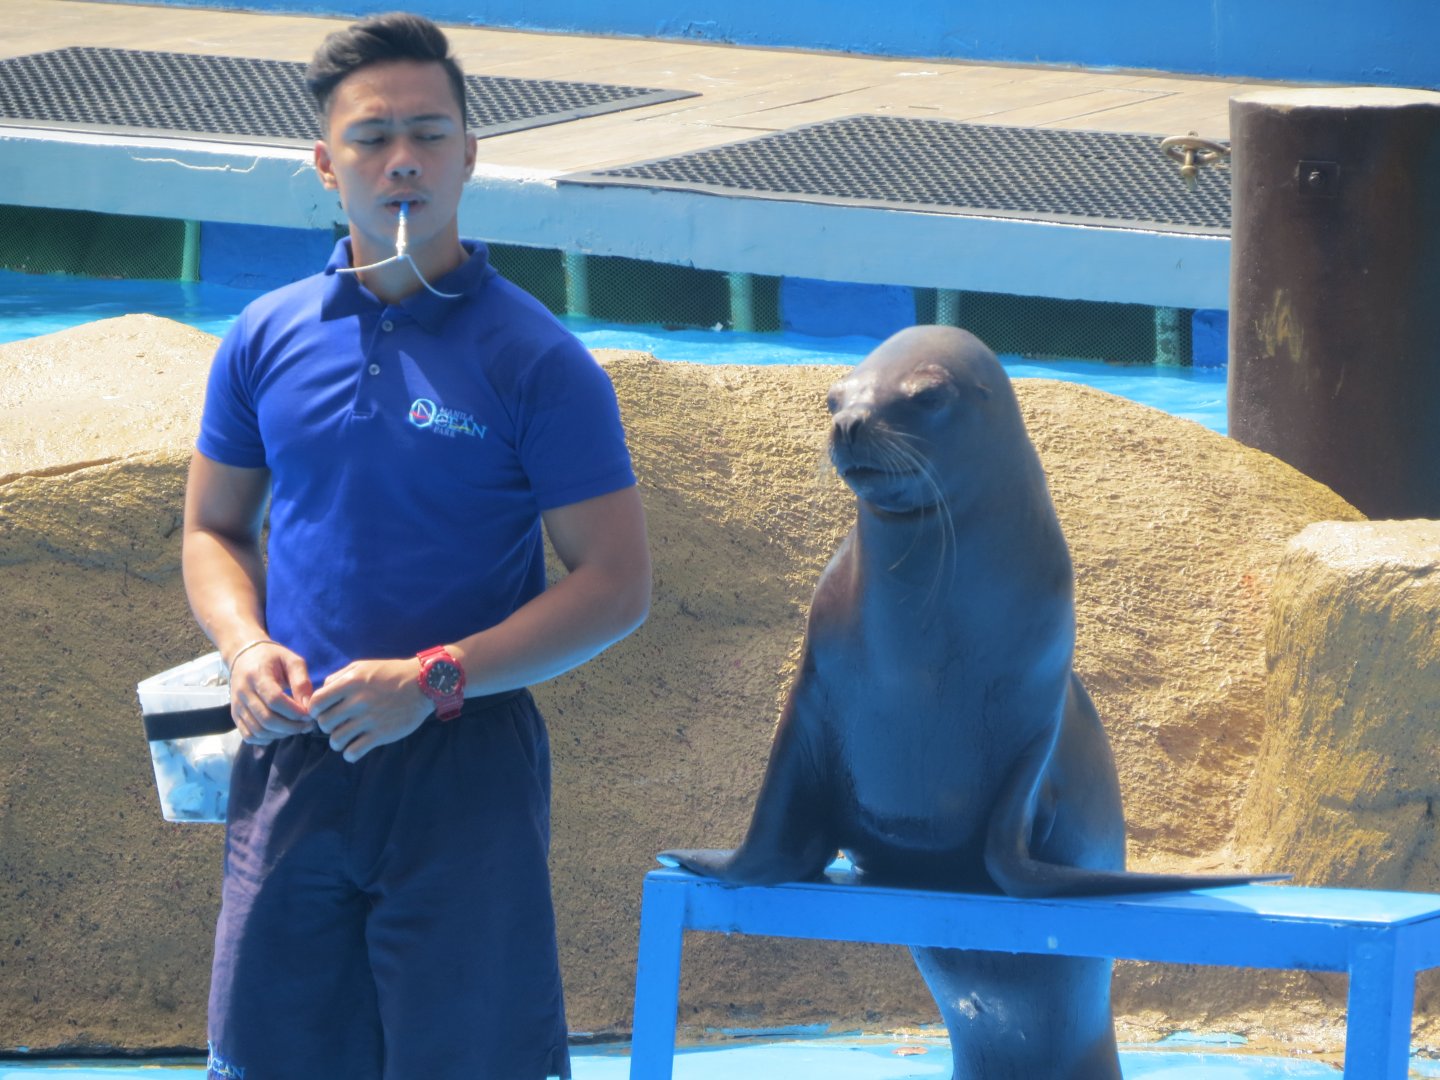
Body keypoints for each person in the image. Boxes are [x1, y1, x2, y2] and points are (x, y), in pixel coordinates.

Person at [181, 12, 650, 1079]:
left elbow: (617, 585)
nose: (403, 161)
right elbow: (213, 530)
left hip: (460, 761)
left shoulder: (536, 359)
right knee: (268, 1055)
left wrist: (436, 678)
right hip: (296, 756)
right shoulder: (264, 337)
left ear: (471, 157)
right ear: (323, 162)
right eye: (372, 137)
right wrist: (246, 646)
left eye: (431, 135)